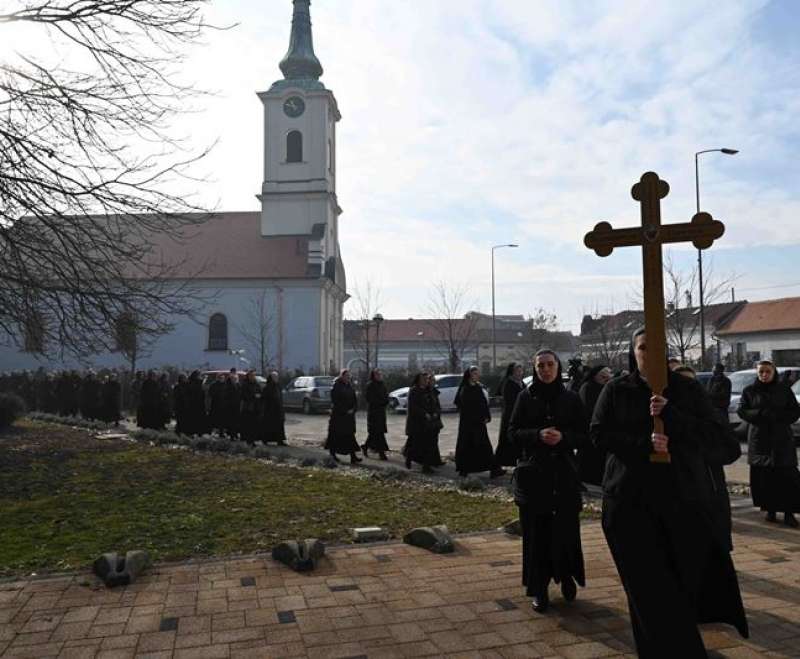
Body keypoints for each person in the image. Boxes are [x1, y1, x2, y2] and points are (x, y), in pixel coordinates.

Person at [591, 328, 748, 657]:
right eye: (643, 347)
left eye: (657, 346)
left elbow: (723, 442)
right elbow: (599, 434)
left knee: (678, 588)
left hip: (681, 501)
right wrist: (643, 445)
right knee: (646, 589)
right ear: (633, 353)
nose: (650, 353)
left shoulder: (687, 389)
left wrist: (672, 417)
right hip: (629, 502)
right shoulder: (617, 389)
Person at [509, 349, 586, 613]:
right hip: (535, 475)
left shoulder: (571, 398)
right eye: (540, 365)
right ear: (535, 368)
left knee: (566, 531)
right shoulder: (525, 396)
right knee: (536, 534)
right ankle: (539, 588)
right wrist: (537, 435)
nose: (545, 369)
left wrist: (564, 438)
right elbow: (512, 432)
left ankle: (566, 575)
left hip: (564, 475)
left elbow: (585, 434)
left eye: (550, 364)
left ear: (557, 366)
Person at [738, 360, 800, 528]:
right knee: (765, 478)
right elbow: (742, 410)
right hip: (760, 440)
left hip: (781, 439)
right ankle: (770, 510)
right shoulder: (750, 390)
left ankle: (789, 513)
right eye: (761, 372)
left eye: (767, 372)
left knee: (787, 477)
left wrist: (779, 417)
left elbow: (795, 410)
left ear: (774, 373)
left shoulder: (784, 390)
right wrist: (759, 413)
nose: (764, 375)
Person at [454, 366, 505, 479]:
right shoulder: (465, 389)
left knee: (484, 446)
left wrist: (487, 416)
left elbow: (484, 403)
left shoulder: (478, 387)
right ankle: (464, 469)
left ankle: (494, 469)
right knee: (466, 445)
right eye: (475, 374)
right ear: (469, 375)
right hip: (468, 424)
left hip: (479, 423)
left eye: (478, 373)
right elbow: (463, 405)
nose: (477, 376)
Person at [576, 365, 611, 486]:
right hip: (590, 430)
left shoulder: (607, 388)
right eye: (603, 376)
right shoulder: (587, 387)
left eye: (608, 376)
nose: (606, 378)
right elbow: (588, 410)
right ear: (595, 376)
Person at [404, 372, 438, 473]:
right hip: (417, 423)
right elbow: (413, 406)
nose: (426, 381)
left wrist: (435, 412)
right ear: (419, 380)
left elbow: (433, 403)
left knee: (428, 445)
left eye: (427, 379)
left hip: (428, 423)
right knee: (416, 444)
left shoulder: (428, 390)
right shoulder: (414, 390)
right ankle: (409, 457)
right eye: (424, 379)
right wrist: (424, 413)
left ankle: (426, 466)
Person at [325, 369, 361, 464]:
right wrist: (345, 410)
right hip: (339, 416)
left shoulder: (350, 386)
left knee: (350, 436)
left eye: (349, 376)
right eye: (346, 376)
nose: (348, 378)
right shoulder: (336, 386)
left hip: (349, 417)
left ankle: (353, 456)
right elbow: (335, 401)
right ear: (342, 376)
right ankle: (332, 454)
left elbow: (354, 400)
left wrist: (354, 409)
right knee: (335, 436)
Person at [495, 362, 526, 467]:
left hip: (520, 415)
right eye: (518, 371)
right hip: (510, 415)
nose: (520, 373)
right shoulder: (508, 383)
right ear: (512, 372)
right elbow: (510, 400)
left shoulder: (521, 383)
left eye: (521, 371)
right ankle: (498, 464)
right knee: (506, 439)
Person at [363, 369, 389, 460]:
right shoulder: (370, 385)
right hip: (374, 412)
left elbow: (386, 395)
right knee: (377, 432)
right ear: (373, 375)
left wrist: (385, 401)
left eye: (380, 374)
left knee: (376, 433)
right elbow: (369, 398)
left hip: (381, 412)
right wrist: (379, 402)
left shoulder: (382, 384)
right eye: (377, 374)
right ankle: (381, 453)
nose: (379, 376)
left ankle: (366, 446)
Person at [262, 371, 287, 445]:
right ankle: (266, 439)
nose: (276, 378)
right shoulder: (268, 387)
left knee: (279, 426)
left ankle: (280, 440)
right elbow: (265, 399)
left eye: (277, 377)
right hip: (270, 410)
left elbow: (280, 397)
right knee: (269, 425)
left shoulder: (278, 386)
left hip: (278, 409)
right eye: (275, 377)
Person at [239, 369, 262, 445]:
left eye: (254, 375)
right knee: (248, 425)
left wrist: (259, 396)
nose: (252, 377)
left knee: (255, 425)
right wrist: (253, 396)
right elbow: (243, 395)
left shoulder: (256, 384)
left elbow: (260, 392)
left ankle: (253, 439)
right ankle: (248, 440)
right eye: (251, 375)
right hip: (248, 407)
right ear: (248, 376)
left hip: (256, 407)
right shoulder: (245, 384)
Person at [223, 369, 241, 439]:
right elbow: (226, 394)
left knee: (236, 420)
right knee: (231, 420)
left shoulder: (238, 384)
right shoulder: (228, 384)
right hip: (230, 405)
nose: (234, 377)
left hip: (237, 405)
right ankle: (232, 435)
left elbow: (240, 392)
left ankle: (235, 433)